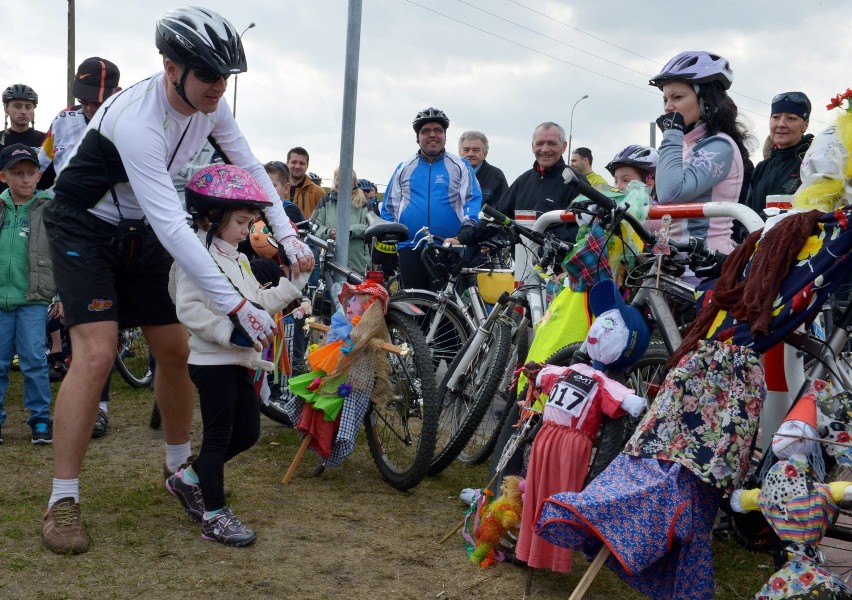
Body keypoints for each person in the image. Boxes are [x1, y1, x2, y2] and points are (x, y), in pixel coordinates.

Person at [40, 6, 314, 555]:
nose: (219, 88)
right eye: (209, 76)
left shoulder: (209, 106)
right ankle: (62, 499)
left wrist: (286, 236)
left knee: (174, 346)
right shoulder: (137, 120)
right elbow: (173, 224)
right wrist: (236, 309)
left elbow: (254, 171)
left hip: (138, 225)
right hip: (84, 223)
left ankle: (181, 472)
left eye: (226, 78)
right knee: (95, 352)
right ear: (171, 67)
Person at [168, 164, 306, 546]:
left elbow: (255, 302)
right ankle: (214, 515)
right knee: (217, 438)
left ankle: (190, 478)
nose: (248, 230)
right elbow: (189, 310)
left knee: (247, 431)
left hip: (237, 360)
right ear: (213, 217)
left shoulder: (238, 258)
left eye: (250, 222)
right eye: (242, 221)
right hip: (211, 362)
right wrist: (230, 333)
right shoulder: (195, 257)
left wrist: (293, 286)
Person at [38, 57, 122, 438]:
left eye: (99, 100)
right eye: (86, 100)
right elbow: (40, 164)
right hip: (72, 231)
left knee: (107, 321)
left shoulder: (127, 119)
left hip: (114, 229)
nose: (91, 107)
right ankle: (86, 405)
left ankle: (101, 406)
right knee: (83, 323)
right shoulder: (62, 120)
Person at [650, 50, 755, 255]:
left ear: (706, 101)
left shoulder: (720, 145)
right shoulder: (686, 145)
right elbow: (665, 216)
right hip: (677, 263)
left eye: (677, 97)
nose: (668, 108)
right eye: (665, 100)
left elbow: (670, 195)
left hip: (706, 266)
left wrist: (672, 134)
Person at [382, 107, 482, 290]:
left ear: (445, 135)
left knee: (446, 313)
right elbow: (389, 209)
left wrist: (465, 232)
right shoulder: (404, 167)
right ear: (418, 137)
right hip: (409, 248)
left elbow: (471, 201)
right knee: (413, 308)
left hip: (448, 248)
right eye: (426, 131)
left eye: (438, 130)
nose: (432, 135)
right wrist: (389, 246)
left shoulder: (460, 165)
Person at [0, 144, 55, 445]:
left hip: (33, 299)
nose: (24, 179)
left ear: (38, 175)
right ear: (3, 176)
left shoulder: (48, 208)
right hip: (0, 302)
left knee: (34, 360)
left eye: (30, 173)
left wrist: (59, 297)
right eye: (17, 173)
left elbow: (62, 253)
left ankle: (40, 419)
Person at [495, 122, 585, 243]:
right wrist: (462, 238)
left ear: (564, 146)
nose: (545, 149)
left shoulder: (577, 182)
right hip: (521, 259)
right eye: (540, 143)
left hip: (556, 260)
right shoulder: (524, 180)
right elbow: (497, 216)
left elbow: (584, 230)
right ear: (532, 146)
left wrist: (543, 237)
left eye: (552, 143)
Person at [745, 92, 813, 215]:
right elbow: (747, 213)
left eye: (791, 118)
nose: (781, 124)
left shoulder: (811, 164)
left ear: (805, 126)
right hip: (755, 233)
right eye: (775, 117)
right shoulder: (761, 168)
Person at [312, 167, 372, 278]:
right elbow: (314, 226)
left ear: (354, 183)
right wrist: (329, 232)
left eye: (347, 179)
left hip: (357, 266)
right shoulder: (325, 201)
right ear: (334, 181)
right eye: (338, 179)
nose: (341, 182)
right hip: (328, 264)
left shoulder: (363, 203)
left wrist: (347, 231)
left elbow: (370, 226)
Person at [1, 84, 45, 193]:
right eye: (17, 106)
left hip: (39, 206)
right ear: (6, 108)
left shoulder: (46, 140)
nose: (23, 111)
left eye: (28, 107)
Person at [458, 130, 508, 206]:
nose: (470, 154)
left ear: (485, 153)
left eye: (476, 150)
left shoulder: (496, 176)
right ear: (459, 152)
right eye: (466, 150)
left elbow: (504, 208)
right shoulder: (450, 174)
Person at [286, 147, 324, 218]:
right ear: (287, 163)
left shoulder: (318, 193)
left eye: (302, 163)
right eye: (294, 162)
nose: (297, 166)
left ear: (307, 166)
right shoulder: (277, 190)